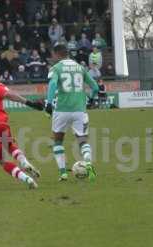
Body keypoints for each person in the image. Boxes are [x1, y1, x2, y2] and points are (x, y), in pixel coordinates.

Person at [45, 44, 99, 182]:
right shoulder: (80, 68)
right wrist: (91, 99)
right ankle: (88, 163)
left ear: (57, 54)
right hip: (79, 110)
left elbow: (52, 84)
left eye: (53, 55)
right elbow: (95, 87)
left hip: (61, 110)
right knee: (82, 140)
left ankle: (63, 173)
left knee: (57, 141)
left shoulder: (56, 68)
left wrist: (49, 103)